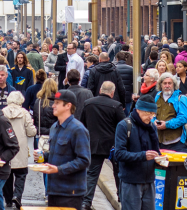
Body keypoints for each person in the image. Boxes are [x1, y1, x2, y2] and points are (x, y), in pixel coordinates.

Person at [37, 89, 90, 210]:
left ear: (68, 106)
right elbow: (58, 153)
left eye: (57, 103)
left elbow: (84, 160)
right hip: (53, 189)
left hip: (70, 192)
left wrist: (58, 169)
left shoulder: (78, 129)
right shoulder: (54, 127)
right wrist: (44, 156)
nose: (53, 106)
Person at [81, 81, 124, 210]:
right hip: (112, 145)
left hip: (93, 143)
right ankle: (121, 197)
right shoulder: (116, 106)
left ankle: (86, 202)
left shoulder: (88, 103)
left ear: (100, 90)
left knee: (92, 174)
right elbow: (122, 126)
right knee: (118, 172)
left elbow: (82, 123)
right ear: (112, 92)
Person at [114, 94, 161, 210]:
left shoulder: (152, 127)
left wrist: (159, 159)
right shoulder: (124, 125)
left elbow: (156, 151)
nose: (150, 117)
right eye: (148, 113)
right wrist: (143, 156)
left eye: (153, 114)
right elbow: (119, 154)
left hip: (149, 181)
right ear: (138, 109)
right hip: (131, 181)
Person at [2, 91, 37, 209]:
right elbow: (31, 132)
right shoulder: (25, 113)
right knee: (21, 174)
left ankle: (8, 200)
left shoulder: (2, 112)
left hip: (6, 146)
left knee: (7, 175)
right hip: (20, 147)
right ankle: (17, 196)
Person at [154, 73, 187, 152]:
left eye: (169, 83)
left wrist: (167, 125)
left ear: (174, 85)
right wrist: (153, 121)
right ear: (161, 85)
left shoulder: (181, 98)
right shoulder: (157, 97)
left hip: (177, 142)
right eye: (165, 83)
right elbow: (152, 114)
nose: (167, 86)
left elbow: (184, 118)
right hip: (160, 141)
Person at [33, 79, 58, 150]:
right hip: (52, 134)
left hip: (39, 134)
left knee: (40, 157)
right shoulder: (56, 102)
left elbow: (35, 117)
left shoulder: (38, 101)